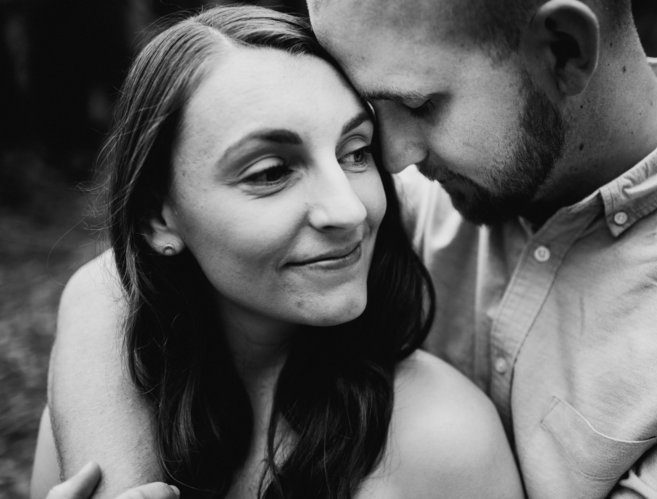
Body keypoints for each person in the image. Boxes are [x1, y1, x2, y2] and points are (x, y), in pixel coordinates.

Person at [42, 0, 657, 497]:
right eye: (366, 118)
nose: (392, 156)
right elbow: (125, 278)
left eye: (414, 104)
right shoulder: (393, 194)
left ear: (561, 52)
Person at [31, 6, 522, 499]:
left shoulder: (443, 442)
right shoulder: (96, 413)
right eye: (270, 172)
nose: (348, 211)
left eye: (355, 152)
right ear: (157, 219)